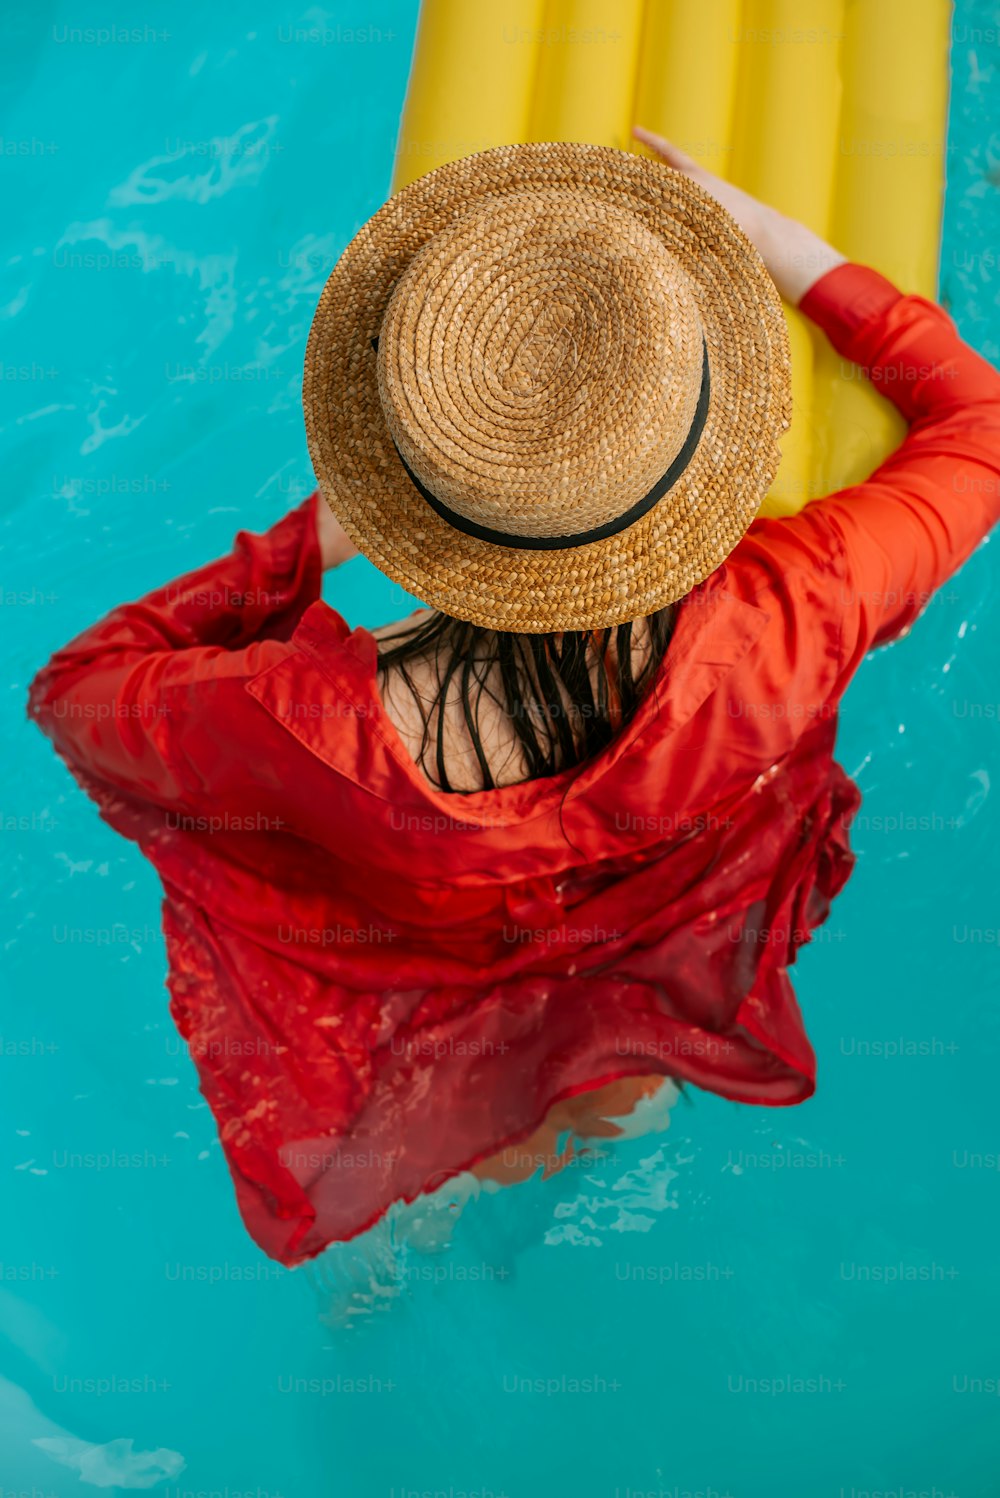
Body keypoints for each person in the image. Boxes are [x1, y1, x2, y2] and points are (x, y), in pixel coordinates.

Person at [28, 134, 1000, 1266]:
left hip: (424, 996)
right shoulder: (789, 614)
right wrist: (784, 250)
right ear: (698, 465)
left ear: (414, 495)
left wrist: (311, 538)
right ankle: (601, 1124)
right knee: (617, 1079)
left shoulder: (284, 717)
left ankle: (410, 1244)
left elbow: (74, 690)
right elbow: (977, 432)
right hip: (646, 946)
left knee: (426, 1166)